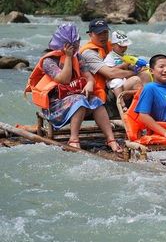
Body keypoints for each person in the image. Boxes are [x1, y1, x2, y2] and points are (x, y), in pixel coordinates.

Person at [25, 23, 122, 152]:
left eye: (76, 42)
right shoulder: (49, 61)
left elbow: (89, 77)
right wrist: (69, 57)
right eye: (72, 43)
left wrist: (89, 84)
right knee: (79, 101)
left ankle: (111, 139)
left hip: (75, 97)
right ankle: (74, 139)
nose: (76, 45)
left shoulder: (78, 57)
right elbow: (63, 79)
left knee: (96, 102)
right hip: (55, 106)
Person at [80, 18, 151, 104]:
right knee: (136, 79)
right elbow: (110, 74)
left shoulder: (113, 45)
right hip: (104, 91)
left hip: (118, 82)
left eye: (105, 32)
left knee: (146, 74)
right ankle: (140, 108)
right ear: (90, 35)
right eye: (99, 33)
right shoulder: (88, 53)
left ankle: (150, 104)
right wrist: (135, 72)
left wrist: (137, 67)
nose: (103, 36)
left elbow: (127, 59)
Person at [103, 30, 143, 110]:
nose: (123, 48)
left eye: (125, 46)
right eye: (121, 46)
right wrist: (124, 65)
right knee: (117, 81)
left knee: (142, 76)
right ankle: (122, 105)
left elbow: (130, 67)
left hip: (124, 80)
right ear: (113, 45)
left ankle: (139, 103)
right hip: (112, 83)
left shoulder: (125, 55)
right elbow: (110, 71)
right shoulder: (110, 57)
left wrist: (135, 66)